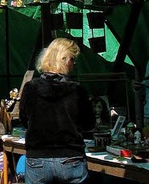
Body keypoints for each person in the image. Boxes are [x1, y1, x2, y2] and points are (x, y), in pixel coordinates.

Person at [19, 38, 94, 184]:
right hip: (70, 157)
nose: (73, 65)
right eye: (73, 60)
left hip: (38, 158)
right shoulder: (77, 90)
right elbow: (89, 124)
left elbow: (24, 120)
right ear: (65, 60)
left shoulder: (31, 88)